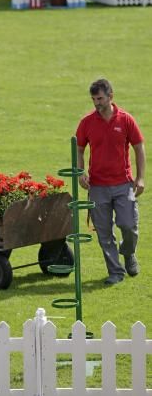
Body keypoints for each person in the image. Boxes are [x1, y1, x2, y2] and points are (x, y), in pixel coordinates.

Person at [76, 78, 145, 285]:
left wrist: (140, 178)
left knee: (129, 225)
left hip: (124, 184)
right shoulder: (87, 123)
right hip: (97, 186)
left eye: (100, 98)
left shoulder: (125, 120)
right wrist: (81, 173)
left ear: (110, 96)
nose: (96, 103)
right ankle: (115, 272)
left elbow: (139, 147)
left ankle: (128, 252)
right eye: (93, 99)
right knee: (104, 232)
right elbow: (79, 149)